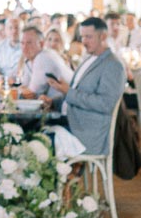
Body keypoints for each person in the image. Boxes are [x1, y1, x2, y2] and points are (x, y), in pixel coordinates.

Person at [45, 16, 125, 156]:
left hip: (87, 132)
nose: (84, 42)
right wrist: (54, 101)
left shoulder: (113, 65)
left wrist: (68, 92)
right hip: (72, 121)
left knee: (41, 142)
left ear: (103, 36)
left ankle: (63, 176)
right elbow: (77, 93)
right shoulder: (89, 58)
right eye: (82, 37)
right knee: (32, 130)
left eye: (89, 37)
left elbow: (105, 104)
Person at [15, 26, 73, 110]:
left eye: (29, 43)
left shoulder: (43, 57)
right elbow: (25, 87)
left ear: (41, 44)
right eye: (22, 43)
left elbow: (31, 94)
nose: (24, 47)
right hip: (55, 106)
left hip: (66, 109)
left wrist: (10, 93)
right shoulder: (29, 59)